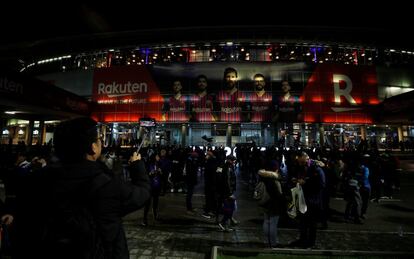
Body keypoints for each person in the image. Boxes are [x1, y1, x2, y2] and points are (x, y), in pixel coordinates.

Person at [15, 117, 151, 259]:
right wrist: (137, 166)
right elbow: (142, 194)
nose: (101, 142)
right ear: (93, 147)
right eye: (99, 138)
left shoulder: (36, 180)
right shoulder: (107, 185)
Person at [290, 151, 325, 249]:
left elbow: (321, 184)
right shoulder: (302, 167)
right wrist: (296, 180)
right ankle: (302, 239)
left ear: (306, 158)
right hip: (303, 198)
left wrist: (305, 182)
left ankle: (310, 242)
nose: (299, 164)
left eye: (301, 162)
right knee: (303, 222)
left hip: (313, 200)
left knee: (312, 223)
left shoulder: (316, 168)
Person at [257, 167, 285, 248]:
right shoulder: (274, 181)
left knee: (266, 222)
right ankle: (272, 243)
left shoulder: (263, 178)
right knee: (273, 224)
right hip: (274, 204)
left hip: (265, 204)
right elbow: (278, 194)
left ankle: (266, 241)